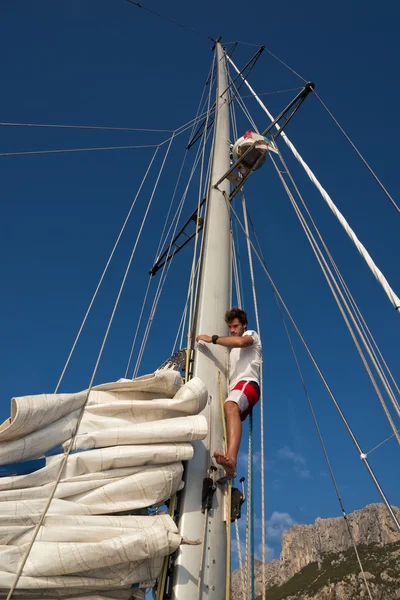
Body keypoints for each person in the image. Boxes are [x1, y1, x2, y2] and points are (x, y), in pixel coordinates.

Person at [196, 307, 261, 479]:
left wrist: (213, 339)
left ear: (244, 326)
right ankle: (227, 464)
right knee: (228, 418)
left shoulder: (252, 335)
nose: (233, 330)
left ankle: (231, 459)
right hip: (237, 389)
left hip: (248, 384)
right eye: (230, 327)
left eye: (236, 326)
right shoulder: (232, 351)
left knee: (230, 405)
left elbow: (242, 342)